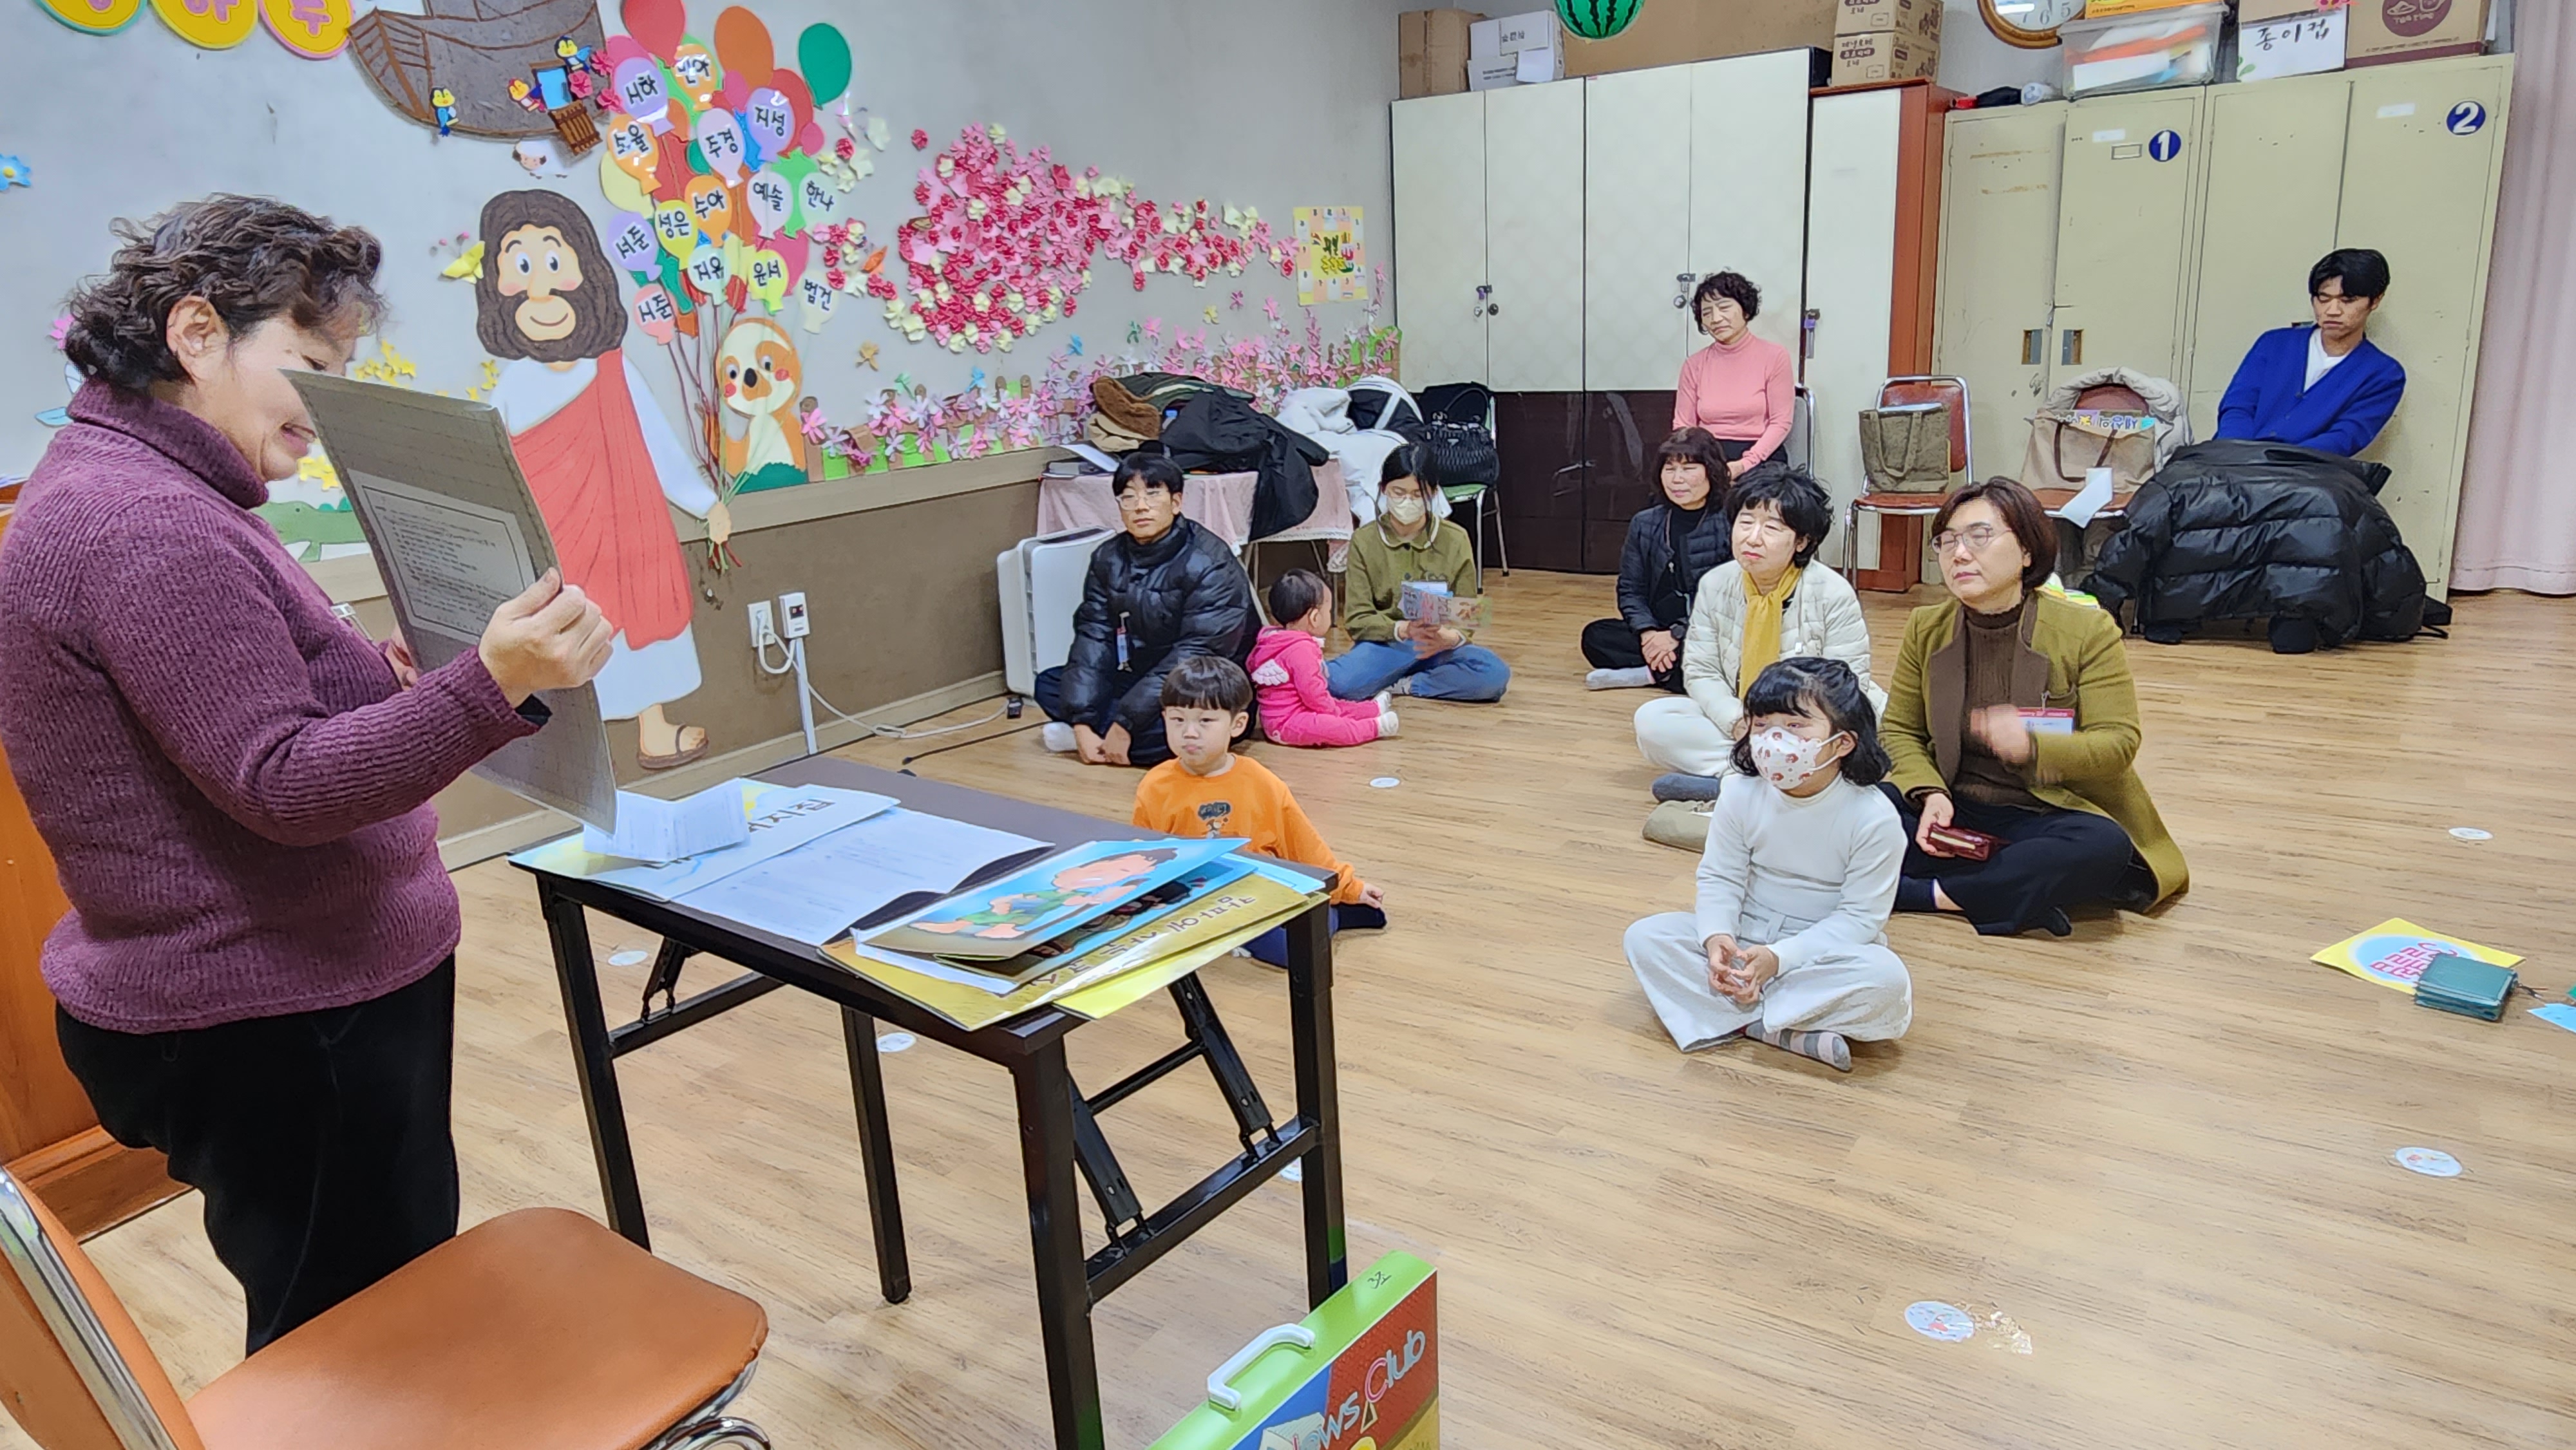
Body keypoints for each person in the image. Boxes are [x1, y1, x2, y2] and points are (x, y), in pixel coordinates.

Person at [0, 196, 614, 1353]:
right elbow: (280, 781)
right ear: (197, 334)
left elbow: (232, 707)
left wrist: (388, 683)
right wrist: (488, 684)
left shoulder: (129, 484)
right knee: (361, 1341)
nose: (326, 405)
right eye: (312, 365)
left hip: (275, 998)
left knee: (366, 1306)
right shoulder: (145, 522)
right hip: (281, 1013)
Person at [477, 189, 729, 770]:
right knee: (574, 638)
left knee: (644, 623)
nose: (541, 288)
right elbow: (490, 468)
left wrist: (704, 502)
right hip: (558, 545)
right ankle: (579, 762)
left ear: (586, 272)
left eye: (553, 261)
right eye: (521, 266)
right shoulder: (513, 386)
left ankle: (654, 732)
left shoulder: (614, 370)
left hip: (630, 535)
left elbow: (660, 444)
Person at [1879, 478, 2189, 937]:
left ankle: (1922, 894)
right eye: (1946, 542)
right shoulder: (1927, 626)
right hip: (1952, 805)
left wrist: (2033, 747)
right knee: (1855, 806)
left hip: (2046, 812)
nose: (1958, 554)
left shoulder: (2087, 631)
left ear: (2026, 550)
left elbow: (2119, 743)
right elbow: (1900, 730)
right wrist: (1930, 794)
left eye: (1979, 537)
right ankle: (2009, 890)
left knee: (2102, 846)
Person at [1623, 658, 1911, 1074]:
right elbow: (1721, 876)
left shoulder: (1874, 817)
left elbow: (1860, 919)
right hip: (1746, 935)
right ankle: (1780, 1027)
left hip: (1821, 950)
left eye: (1795, 726)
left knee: (1886, 980)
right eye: (1762, 725)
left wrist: (1780, 958)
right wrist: (1717, 937)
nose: (1775, 740)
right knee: (1646, 937)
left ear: (1843, 743)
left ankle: (1734, 1017)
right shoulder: (1739, 792)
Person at [1634, 466, 1882, 809]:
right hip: (1744, 719)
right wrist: (1740, 722)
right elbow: (1701, 671)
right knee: (1654, 722)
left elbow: (1845, 684)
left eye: (1772, 528)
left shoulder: (1832, 592)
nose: (1753, 538)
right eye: (1746, 522)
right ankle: (1776, 781)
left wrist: (1788, 728)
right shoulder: (1716, 584)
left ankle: (1741, 781)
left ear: (1802, 541)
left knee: (1876, 732)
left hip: (1809, 725)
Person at [1133, 657, 1387, 967]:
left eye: (1205, 721)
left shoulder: (1260, 782)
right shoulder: (1154, 785)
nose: (1189, 732)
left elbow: (1303, 844)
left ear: (1237, 724)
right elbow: (1145, 856)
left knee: (1292, 953)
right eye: (1177, 720)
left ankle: (1335, 915)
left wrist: (1348, 888)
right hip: (1192, 902)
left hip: (1252, 895)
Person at [1037, 452, 1256, 767]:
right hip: (1141, 674)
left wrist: (1125, 724)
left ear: (1176, 502)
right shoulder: (1108, 557)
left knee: (1192, 731)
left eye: (1153, 494)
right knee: (1049, 684)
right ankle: (1092, 737)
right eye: (1129, 497)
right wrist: (1083, 721)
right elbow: (1094, 638)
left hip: (1203, 684)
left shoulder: (1210, 562)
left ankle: (1100, 739)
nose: (1140, 506)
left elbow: (1196, 653)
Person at [1327, 446, 1511, 702]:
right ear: (1383, 489)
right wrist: (1403, 630)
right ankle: (1389, 675)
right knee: (1339, 683)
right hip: (1387, 645)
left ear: (1433, 493)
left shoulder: (1456, 538)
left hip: (1438, 645)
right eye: (1399, 492)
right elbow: (1358, 618)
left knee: (1494, 674)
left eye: (1418, 494)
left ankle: (1404, 684)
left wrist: (1450, 637)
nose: (1408, 501)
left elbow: (1469, 610)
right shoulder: (1364, 540)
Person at [1581, 428, 1736, 692]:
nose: (1677, 479)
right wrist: (1649, 633)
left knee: (1728, 650)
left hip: (1710, 630)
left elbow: (1731, 602)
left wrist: (1677, 634)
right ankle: (1673, 673)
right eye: (1670, 469)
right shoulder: (1646, 522)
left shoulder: (1732, 522)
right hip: (1660, 625)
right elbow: (1631, 589)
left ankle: (1652, 674)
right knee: (1596, 636)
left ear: (1711, 471)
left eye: (1688, 469)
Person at [2215, 248, 2405, 458]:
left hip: (2303, 472)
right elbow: (2238, 407)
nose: (2333, 310)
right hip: (2232, 462)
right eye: (2324, 298)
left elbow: (2345, 437)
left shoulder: (2384, 374)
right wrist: (2237, 455)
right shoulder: (2274, 344)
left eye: (2348, 300)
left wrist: (2276, 463)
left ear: (2375, 301)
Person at [1249, 569, 1399, 747]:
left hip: (1294, 712)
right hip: (1287, 723)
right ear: (1315, 618)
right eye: (1328, 611)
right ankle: (1374, 727)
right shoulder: (1301, 649)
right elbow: (1313, 694)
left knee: (1336, 705)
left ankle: (1373, 709)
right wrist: (1332, 712)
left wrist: (1333, 708)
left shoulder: (1272, 639)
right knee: (1332, 726)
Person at [1672, 271, 1795, 478]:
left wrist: (1745, 463)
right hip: (1708, 455)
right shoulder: (1694, 365)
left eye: (1724, 308)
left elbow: (1781, 422)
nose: (1716, 319)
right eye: (1707, 312)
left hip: (1762, 457)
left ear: (1745, 310)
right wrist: (1697, 463)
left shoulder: (1775, 356)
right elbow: (1683, 425)